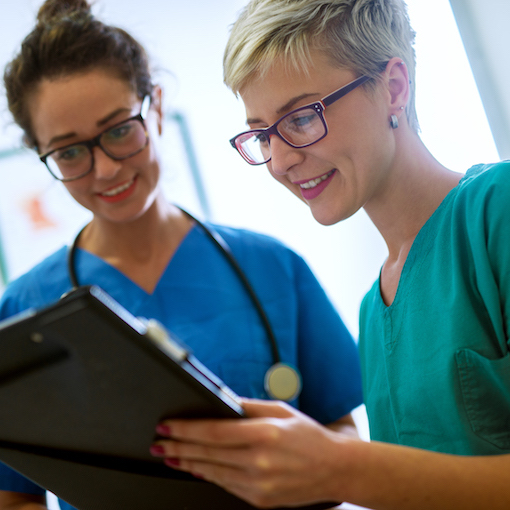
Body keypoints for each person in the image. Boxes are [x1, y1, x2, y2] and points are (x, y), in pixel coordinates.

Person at [0, 0, 364, 509]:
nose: (104, 169)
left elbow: (343, 439)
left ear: (158, 108)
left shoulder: (271, 267)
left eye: (120, 129)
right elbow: (15, 497)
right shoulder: (24, 310)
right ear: (42, 154)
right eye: (70, 151)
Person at [150, 0, 510, 508]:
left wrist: (339, 466)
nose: (279, 161)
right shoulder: (376, 305)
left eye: (300, 117)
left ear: (394, 88)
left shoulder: (498, 211)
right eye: (261, 133)